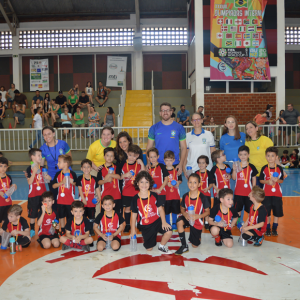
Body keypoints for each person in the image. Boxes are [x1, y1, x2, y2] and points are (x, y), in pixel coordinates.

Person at [130, 171, 173, 254]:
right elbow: (134, 215)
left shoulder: (154, 195)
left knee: (169, 231)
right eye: (141, 182)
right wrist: (132, 230)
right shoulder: (135, 199)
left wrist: (164, 222)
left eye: (147, 182)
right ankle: (149, 236)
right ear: (137, 183)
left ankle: (161, 246)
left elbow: (161, 209)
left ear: (150, 183)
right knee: (149, 249)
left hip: (157, 221)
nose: (144, 184)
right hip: (145, 225)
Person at [147, 102, 187, 175]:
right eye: (163, 110)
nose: (165, 112)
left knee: (174, 185)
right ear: (160, 113)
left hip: (174, 163)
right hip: (157, 163)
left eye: (167, 110)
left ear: (171, 112)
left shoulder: (179, 127)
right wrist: (148, 162)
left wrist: (181, 164)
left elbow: (184, 147)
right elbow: (149, 147)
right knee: (158, 185)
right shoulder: (154, 128)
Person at [175, 173, 210, 255]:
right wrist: (184, 214)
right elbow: (182, 208)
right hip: (188, 218)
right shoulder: (185, 196)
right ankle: (184, 245)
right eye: (190, 182)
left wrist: (199, 216)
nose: (192, 184)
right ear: (187, 183)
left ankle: (197, 237)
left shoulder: (203, 197)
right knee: (179, 221)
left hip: (197, 219)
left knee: (195, 245)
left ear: (199, 184)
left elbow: (208, 212)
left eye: (195, 182)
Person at [40, 126, 72, 209]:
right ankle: (56, 218)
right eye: (45, 135)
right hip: (52, 176)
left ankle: (68, 216)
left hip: (65, 174)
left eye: (49, 134)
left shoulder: (63, 144)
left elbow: (69, 158)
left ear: (53, 133)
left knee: (66, 196)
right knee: (53, 197)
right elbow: (41, 164)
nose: (47, 137)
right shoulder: (42, 149)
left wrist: (67, 172)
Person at [259, 147, 284, 237]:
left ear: (276, 157)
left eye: (272, 156)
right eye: (268, 156)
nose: (270, 158)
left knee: (277, 213)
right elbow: (261, 180)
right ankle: (268, 228)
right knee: (267, 213)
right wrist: (267, 182)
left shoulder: (280, 168)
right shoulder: (264, 168)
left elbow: (281, 180)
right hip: (267, 194)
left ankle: (275, 228)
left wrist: (277, 180)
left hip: (277, 194)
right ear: (266, 156)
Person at [120, 144, 145, 232]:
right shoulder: (123, 164)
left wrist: (141, 163)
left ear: (137, 156)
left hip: (137, 191)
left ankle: (139, 224)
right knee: (127, 208)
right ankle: (127, 224)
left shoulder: (138, 165)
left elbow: (143, 174)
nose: (131, 157)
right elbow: (118, 176)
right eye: (130, 155)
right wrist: (124, 175)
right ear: (127, 154)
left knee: (138, 208)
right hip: (126, 191)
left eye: (134, 156)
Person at [231, 145, 258, 228]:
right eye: (241, 154)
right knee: (237, 209)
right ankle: (238, 222)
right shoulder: (236, 166)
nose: (243, 156)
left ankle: (250, 222)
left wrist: (253, 191)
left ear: (248, 155)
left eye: (245, 154)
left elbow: (254, 179)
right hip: (238, 193)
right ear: (238, 155)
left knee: (250, 209)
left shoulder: (251, 167)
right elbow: (234, 178)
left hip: (249, 193)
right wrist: (234, 170)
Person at [26, 148, 50, 237]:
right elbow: (29, 182)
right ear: (32, 157)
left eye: (41, 155)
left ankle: (41, 228)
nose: (41, 157)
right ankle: (32, 229)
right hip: (33, 195)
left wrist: (48, 177)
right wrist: (34, 173)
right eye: (39, 155)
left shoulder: (43, 168)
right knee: (32, 214)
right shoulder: (29, 169)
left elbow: (47, 180)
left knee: (43, 212)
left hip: (43, 195)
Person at [51, 155, 77, 235]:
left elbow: (77, 184)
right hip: (60, 200)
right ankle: (62, 229)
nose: (57, 164)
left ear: (66, 164)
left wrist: (72, 181)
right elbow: (53, 185)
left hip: (70, 200)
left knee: (70, 216)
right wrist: (61, 182)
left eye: (59, 162)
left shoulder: (72, 173)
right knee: (61, 216)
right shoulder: (58, 174)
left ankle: (69, 229)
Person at [77, 159, 101, 235]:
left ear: (91, 168)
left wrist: (99, 197)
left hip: (91, 202)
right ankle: (83, 229)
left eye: (88, 167)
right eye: (84, 167)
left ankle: (91, 229)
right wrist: (83, 199)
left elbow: (97, 189)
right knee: (82, 216)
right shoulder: (80, 178)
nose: (86, 169)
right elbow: (80, 190)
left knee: (91, 217)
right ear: (81, 168)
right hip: (82, 202)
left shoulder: (94, 178)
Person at [97, 148, 122, 214]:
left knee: (117, 214)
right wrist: (106, 180)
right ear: (104, 157)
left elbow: (119, 177)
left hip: (116, 195)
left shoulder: (117, 166)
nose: (109, 157)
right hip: (105, 195)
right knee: (104, 214)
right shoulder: (101, 168)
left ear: (114, 157)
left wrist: (110, 175)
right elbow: (99, 181)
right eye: (107, 155)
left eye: (111, 156)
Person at [164, 150, 182, 230]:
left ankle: (174, 223)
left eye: (170, 160)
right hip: (166, 195)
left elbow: (180, 180)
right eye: (167, 160)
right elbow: (161, 180)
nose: (168, 162)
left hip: (175, 194)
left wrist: (178, 182)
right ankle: (167, 223)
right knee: (166, 210)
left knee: (175, 210)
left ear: (174, 160)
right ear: (164, 161)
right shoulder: (163, 170)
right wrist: (166, 183)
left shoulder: (177, 170)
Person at [195, 155, 213, 230]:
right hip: (198, 194)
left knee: (206, 209)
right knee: (198, 208)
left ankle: (206, 222)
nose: (201, 165)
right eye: (199, 163)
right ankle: (198, 221)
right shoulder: (196, 173)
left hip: (206, 194)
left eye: (203, 163)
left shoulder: (209, 173)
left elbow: (211, 183)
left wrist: (208, 188)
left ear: (207, 164)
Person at [0, 157, 15, 226]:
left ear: (7, 167)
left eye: (5, 166)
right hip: (0, 203)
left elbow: (10, 187)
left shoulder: (8, 177)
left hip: (8, 202)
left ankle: (2, 233)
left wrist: (14, 187)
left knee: (5, 219)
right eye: (0, 166)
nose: (3, 168)